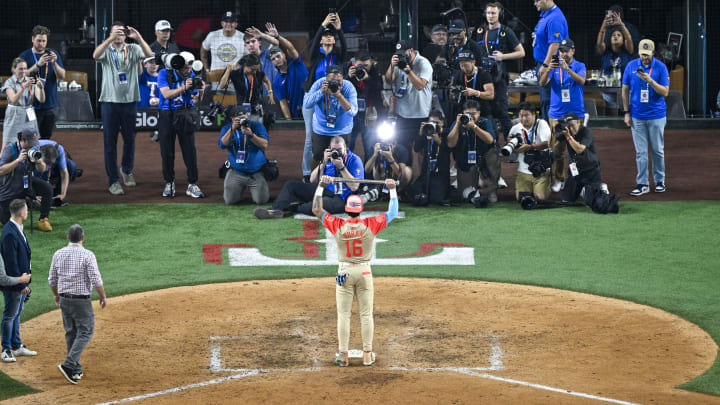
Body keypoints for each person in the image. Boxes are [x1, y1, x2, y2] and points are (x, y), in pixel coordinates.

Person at [311, 175, 398, 367]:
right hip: (365, 272)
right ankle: (367, 354)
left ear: (346, 209)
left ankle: (343, 355)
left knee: (344, 315)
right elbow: (392, 212)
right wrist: (391, 189)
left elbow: (316, 209)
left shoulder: (338, 225)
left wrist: (320, 186)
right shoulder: (370, 224)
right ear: (360, 209)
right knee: (366, 315)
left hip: (345, 272)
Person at [92, 21, 152, 196]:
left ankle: (126, 170)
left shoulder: (133, 49)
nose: (118, 35)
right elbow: (95, 55)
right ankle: (113, 181)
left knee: (130, 140)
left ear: (126, 34)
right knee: (110, 143)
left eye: (120, 32)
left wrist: (138, 37)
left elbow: (149, 54)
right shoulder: (106, 50)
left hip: (130, 101)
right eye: (114, 32)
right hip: (109, 102)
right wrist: (110, 38)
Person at [49, 224, 106, 384]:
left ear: (68, 237)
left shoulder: (58, 254)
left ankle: (75, 369)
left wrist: (56, 296)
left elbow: (52, 280)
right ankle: (69, 365)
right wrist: (103, 296)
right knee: (86, 331)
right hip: (81, 301)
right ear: (83, 238)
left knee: (71, 332)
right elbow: (95, 279)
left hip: (64, 298)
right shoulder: (87, 255)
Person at [254, 136, 363, 218]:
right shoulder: (328, 158)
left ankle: (291, 209)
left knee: (313, 207)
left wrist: (341, 167)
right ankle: (275, 210)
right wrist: (323, 162)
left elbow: (354, 187)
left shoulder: (354, 160)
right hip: (326, 190)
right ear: (329, 148)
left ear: (345, 148)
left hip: (342, 198)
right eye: (334, 149)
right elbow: (312, 180)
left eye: (339, 150)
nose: (337, 153)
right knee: (290, 185)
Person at [622, 39, 670, 196]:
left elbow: (665, 92)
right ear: (638, 53)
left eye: (648, 55)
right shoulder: (631, 66)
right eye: (643, 54)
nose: (645, 58)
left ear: (653, 53)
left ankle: (659, 181)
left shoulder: (661, 68)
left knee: (657, 150)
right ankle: (642, 183)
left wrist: (650, 81)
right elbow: (625, 91)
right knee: (641, 152)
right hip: (637, 116)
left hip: (656, 115)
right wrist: (626, 112)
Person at [538, 38, 586, 194]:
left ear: (573, 51)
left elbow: (582, 81)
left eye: (566, 50)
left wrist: (568, 70)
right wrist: (548, 69)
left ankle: (577, 180)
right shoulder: (554, 66)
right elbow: (542, 83)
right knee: (557, 149)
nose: (563, 53)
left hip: (575, 114)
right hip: (557, 114)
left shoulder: (579, 66)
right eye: (561, 51)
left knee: (576, 149)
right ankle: (559, 178)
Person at [157, 52, 206, 198]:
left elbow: (196, 101)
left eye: (190, 67)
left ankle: (192, 184)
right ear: (177, 66)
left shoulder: (192, 74)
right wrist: (184, 87)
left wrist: (201, 91)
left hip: (185, 114)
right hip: (167, 115)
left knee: (190, 151)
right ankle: (169, 182)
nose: (188, 70)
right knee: (167, 152)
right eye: (185, 68)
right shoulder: (164, 74)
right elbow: (166, 94)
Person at [476, 2, 525, 141]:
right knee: (487, 113)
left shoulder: (506, 32)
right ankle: (493, 145)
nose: (490, 16)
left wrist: (503, 56)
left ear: (500, 14)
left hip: (499, 78)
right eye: (488, 13)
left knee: (503, 113)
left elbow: (521, 52)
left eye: (493, 13)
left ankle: (512, 146)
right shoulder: (480, 31)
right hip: (484, 78)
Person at [1, 199, 37, 363]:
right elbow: (11, 262)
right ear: (21, 212)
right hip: (14, 284)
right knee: (10, 316)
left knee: (16, 315)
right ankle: (6, 349)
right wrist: (21, 284)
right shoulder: (9, 232)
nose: (27, 212)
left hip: (21, 281)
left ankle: (16, 346)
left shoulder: (16, 228)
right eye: (26, 210)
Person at [303, 65, 358, 167]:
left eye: (338, 81)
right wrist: (320, 92)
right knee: (318, 156)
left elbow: (353, 112)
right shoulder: (319, 84)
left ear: (343, 79)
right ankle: (312, 180)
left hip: (343, 130)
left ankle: (341, 179)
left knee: (342, 157)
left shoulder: (348, 87)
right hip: (321, 129)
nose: (335, 83)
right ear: (326, 78)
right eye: (332, 80)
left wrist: (339, 96)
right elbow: (307, 104)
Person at [447, 100, 500, 204]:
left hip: (484, 158)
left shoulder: (484, 122)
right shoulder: (457, 123)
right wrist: (457, 124)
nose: (470, 117)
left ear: (479, 113)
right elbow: (450, 144)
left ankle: (490, 188)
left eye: (473, 114)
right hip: (465, 161)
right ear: (463, 113)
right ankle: (478, 189)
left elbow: (490, 140)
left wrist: (474, 127)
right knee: (466, 195)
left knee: (493, 154)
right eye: (468, 114)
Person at [0, 128, 53, 232]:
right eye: (30, 143)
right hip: (9, 189)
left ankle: (43, 219)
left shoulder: (33, 150)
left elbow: (42, 169)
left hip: (26, 183)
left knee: (47, 188)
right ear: (22, 140)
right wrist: (18, 161)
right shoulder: (10, 149)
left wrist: (39, 162)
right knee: (9, 222)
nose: (32, 146)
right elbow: (1, 170)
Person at [19, 25, 65, 141]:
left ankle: (42, 159)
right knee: (30, 138)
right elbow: (20, 77)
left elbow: (62, 76)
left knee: (46, 138)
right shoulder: (25, 56)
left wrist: (54, 63)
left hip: (50, 105)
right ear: (33, 39)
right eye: (39, 40)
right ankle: (29, 158)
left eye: (44, 41)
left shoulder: (53, 54)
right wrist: (37, 65)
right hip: (31, 105)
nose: (41, 44)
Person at [384, 41, 433, 151]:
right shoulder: (398, 63)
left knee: (419, 150)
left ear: (411, 51)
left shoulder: (423, 63)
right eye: (399, 54)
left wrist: (408, 71)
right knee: (402, 149)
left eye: (404, 54)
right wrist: (391, 65)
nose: (402, 57)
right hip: (402, 114)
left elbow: (420, 85)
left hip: (420, 114)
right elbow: (389, 80)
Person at [219, 107, 270, 205]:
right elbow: (222, 145)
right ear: (232, 118)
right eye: (238, 118)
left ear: (247, 116)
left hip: (256, 172)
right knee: (229, 201)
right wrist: (232, 129)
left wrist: (251, 135)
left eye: (244, 117)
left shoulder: (256, 126)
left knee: (261, 201)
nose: (242, 120)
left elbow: (264, 144)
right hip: (236, 171)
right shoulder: (227, 128)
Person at [533, 0, 569, 121]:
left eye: (537, 0)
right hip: (544, 64)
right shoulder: (545, 16)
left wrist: (545, 64)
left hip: (551, 66)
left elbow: (555, 44)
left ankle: (551, 135)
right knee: (545, 100)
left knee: (549, 101)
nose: (535, 3)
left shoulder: (555, 18)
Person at [344, 52, 384, 159]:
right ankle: (346, 172)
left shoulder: (375, 69)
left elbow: (379, 87)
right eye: (360, 66)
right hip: (352, 112)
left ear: (370, 63)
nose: (364, 69)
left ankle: (368, 174)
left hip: (369, 112)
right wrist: (348, 77)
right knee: (348, 145)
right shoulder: (348, 67)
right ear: (354, 64)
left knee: (369, 146)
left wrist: (367, 78)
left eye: (366, 66)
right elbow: (341, 88)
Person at [508, 103, 552, 200]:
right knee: (522, 199)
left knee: (540, 198)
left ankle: (547, 184)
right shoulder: (515, 129)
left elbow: (547, 143)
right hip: (523, 172)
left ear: (533, 115)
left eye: (526, 115)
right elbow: (511, 149)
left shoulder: (542, 124)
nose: (523, 118)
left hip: (541, 170)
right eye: (521, 115)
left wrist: (530, 147)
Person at [557, 113, 603, 204]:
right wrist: (554, 130)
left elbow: (580, 149)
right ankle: (582, 190)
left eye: (572, 125)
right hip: (575, 170)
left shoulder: (586, 131)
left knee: (591, 203)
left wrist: (568, 137)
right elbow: (551, 144)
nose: (570, 128)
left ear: (578, 123)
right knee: (566, 201)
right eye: (568, 126)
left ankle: (600, 188)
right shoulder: (566, 132)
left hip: (590, 170)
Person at [408, 110, 452, 205]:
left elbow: (449, 149)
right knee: (413, 192)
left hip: (440, 175)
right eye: (431, 122)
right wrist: (421, 133)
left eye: (436, 123)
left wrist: (438, 140)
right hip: (426, 174)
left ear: (442, 123)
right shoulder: (427, 133)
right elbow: (416, 148)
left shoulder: (446, 133)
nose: (433, 125)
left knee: (435, 198)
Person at [2, 58, 45, 151]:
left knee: (32, 143)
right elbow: (13, 100)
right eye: (21, 69)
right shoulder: (9, 82)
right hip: (14, 114)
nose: (23, 71)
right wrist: (24, 86)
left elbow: (41, 99)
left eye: (25, 68)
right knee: (7, 144)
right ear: (14, 69)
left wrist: (40, 87)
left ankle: (30, 163)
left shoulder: (30, 81)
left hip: (28, 114)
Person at [219, 53, 274, 120]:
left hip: (256, 106)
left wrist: (270, 92)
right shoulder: (235, 74)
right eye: (252, 69)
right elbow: (222, 86)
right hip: (240, 107)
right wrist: (228, 70)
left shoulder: (258, 73)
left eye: (256, 69)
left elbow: (267, 81)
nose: (255, 72)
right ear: (245, 65)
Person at [302, 12, 347, 93]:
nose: (328, 36)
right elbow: (315, 43)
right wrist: (323, 25)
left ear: (334, 40)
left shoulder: (338, 56)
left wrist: (339, 29)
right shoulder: (315, 56)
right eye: (325, 35)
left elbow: (344, 47)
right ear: (320, 40)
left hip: (335, 95)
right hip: (318, 94)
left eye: (331, 35)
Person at [597, 25, 633, 116]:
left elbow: (629, 38)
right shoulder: (605, 52)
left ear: (623, 39)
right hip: (609, 92)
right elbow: (599, 42)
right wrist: (604, 23)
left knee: (627, 119)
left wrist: (621, 24)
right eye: (613, 35)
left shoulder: (627, 51)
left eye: (619, 35)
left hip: (626, 91)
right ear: (610, 39)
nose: (616, 36)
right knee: (614, 120)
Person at [201, 11, 247, 82]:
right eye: (226, 21)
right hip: (215, 76)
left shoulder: (243, 37)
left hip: (236, 77)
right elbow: (203, 51)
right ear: (222, 23)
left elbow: (249, 57)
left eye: (231, 22)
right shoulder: (212, 35)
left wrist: (241, 67)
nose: (228, 24)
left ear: (236, 24)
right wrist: (206, 69)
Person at [450, 52, 494, 119]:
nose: (464, 68)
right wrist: (455, 93)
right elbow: (451, 94)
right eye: (461, 66)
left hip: (481, 111)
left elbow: (491, 95)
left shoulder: (483, 74)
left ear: (473, 62)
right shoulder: (458, 74)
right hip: (464, 111)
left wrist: (475, 93)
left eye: (466, 65)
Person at [37, 139, 79, 207]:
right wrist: (32, 196)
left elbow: (64, 174)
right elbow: (25, 175)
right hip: (36, 168)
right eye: (48, 163)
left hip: (45, 162)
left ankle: (56, 196)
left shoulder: (59, 149)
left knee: (70, 165)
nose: (49, 165)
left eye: (51, 163)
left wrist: (63, 194)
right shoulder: (33, 151)